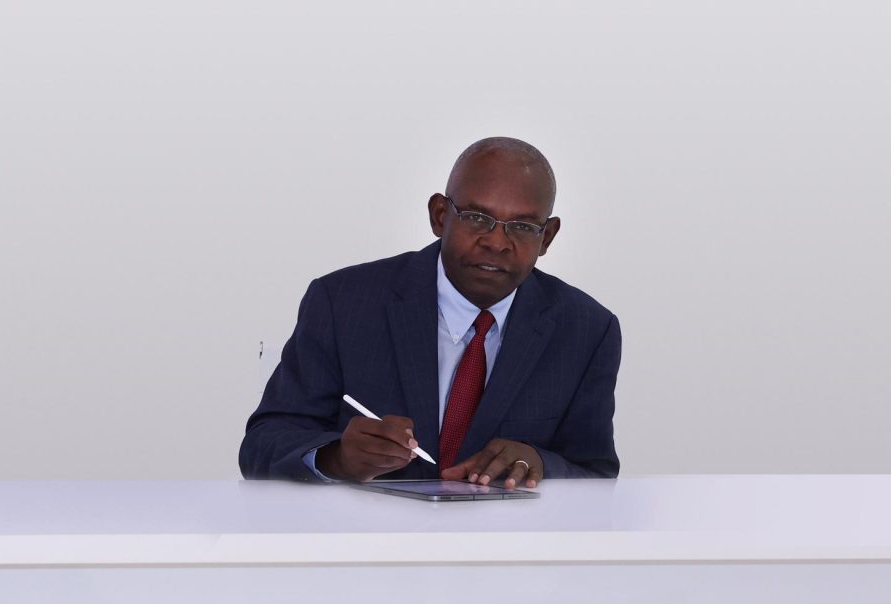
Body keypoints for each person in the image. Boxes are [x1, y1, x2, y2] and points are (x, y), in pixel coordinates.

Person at [240, 137, 620, 488]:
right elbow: (263, 444)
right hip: (366, 536)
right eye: (477, 218)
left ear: (547, 237)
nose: (497, 243)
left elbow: (596, 475)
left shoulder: (586, 330)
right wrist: (336, 458)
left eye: (522, 226)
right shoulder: (342, 303)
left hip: (504, 539)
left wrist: (539, 463)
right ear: (440, 215)